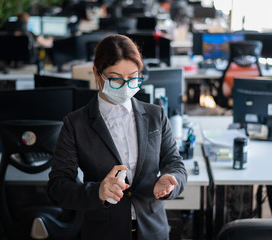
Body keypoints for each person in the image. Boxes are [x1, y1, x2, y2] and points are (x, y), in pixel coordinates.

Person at [47, 34, 187, 240]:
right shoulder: (76, 123)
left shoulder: (155, 115)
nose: (125, 85)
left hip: (153, 231)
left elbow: (176, 164)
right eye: (115, 78)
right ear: (97, 73)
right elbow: (58, 187)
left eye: (132, 77)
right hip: (103, 232)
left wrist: (171, 181)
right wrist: (98, 192)